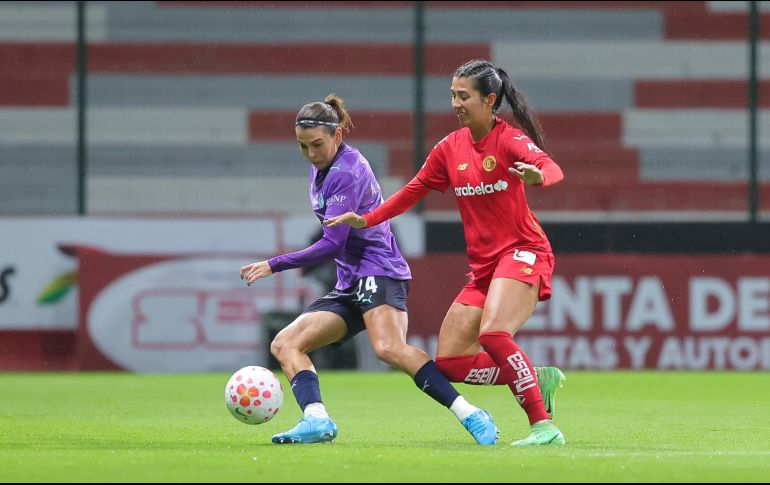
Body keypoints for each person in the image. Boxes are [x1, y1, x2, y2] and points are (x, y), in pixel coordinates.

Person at [324, 60, 567, 446]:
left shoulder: (509, 140)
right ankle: (536, 379)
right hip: (485, 268)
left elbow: (550, 166)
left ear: (489, 100)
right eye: (452, 94)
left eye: (463, 96)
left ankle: (544, 426)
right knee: (452, 362)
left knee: (494, 334)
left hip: (524, 252)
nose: (455, 103)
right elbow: (412, 191)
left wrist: (540, 177)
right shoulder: (449, 148)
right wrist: (367, 219)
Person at [240, 93, 499, 445]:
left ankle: (471, 414)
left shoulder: (346, 171)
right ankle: (316, 419)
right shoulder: (322, 167)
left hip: (379, 269)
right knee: (286, 344)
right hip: (350, 280)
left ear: (337, 135)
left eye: (316, 144)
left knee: (389, 348)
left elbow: (332, 244)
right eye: (303, 146)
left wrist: (275, 264)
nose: (311, 153)